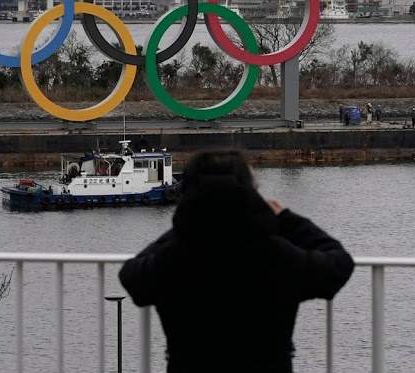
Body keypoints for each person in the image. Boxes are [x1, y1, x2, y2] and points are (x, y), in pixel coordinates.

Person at [119, 149, 354, 373]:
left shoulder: (172, 259)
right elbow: (338, 264)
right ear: (250, 196)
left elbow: (132, 275)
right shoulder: (278, 255)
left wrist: (189, 227)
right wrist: (287, 219)